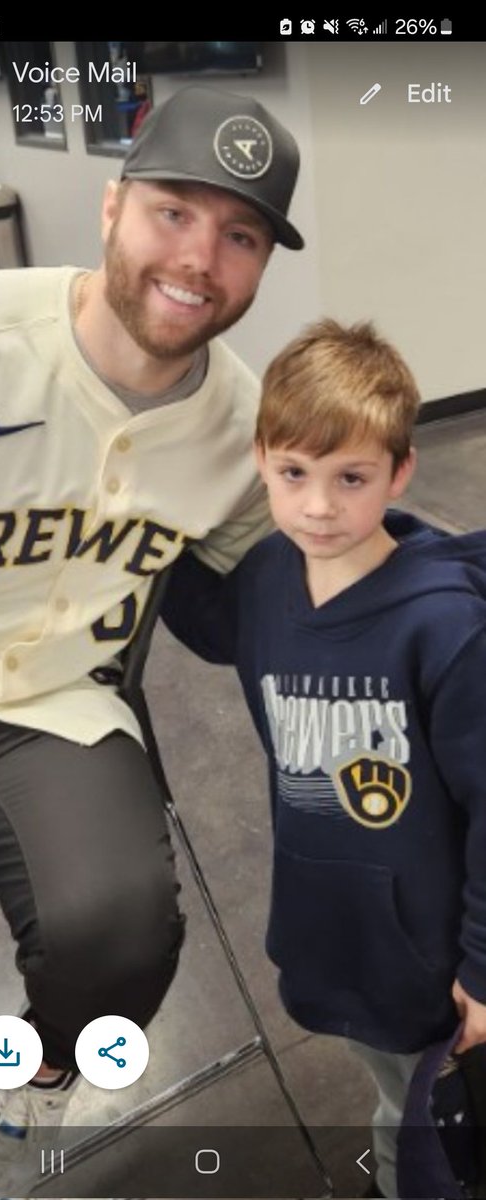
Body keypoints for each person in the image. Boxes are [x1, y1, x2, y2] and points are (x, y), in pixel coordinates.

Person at [0, 84, 303, 1197]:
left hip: (45, 714)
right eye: (173, 214)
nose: (199, 259)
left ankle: (32, 1089)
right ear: (110, 208)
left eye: (238, 236)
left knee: (120, 928)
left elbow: (305, 557)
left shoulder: (243, 426)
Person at [161, 318, 486, 1199]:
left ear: (401, 471)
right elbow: (208, 618)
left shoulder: (446, 626)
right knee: (394, 1106)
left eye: (352, 478)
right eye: (293, 473)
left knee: (446, 1124)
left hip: (436, 953)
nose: (318, 507)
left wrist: (482, 967)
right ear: (261, 459)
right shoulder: (268, 577)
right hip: (337, 933)